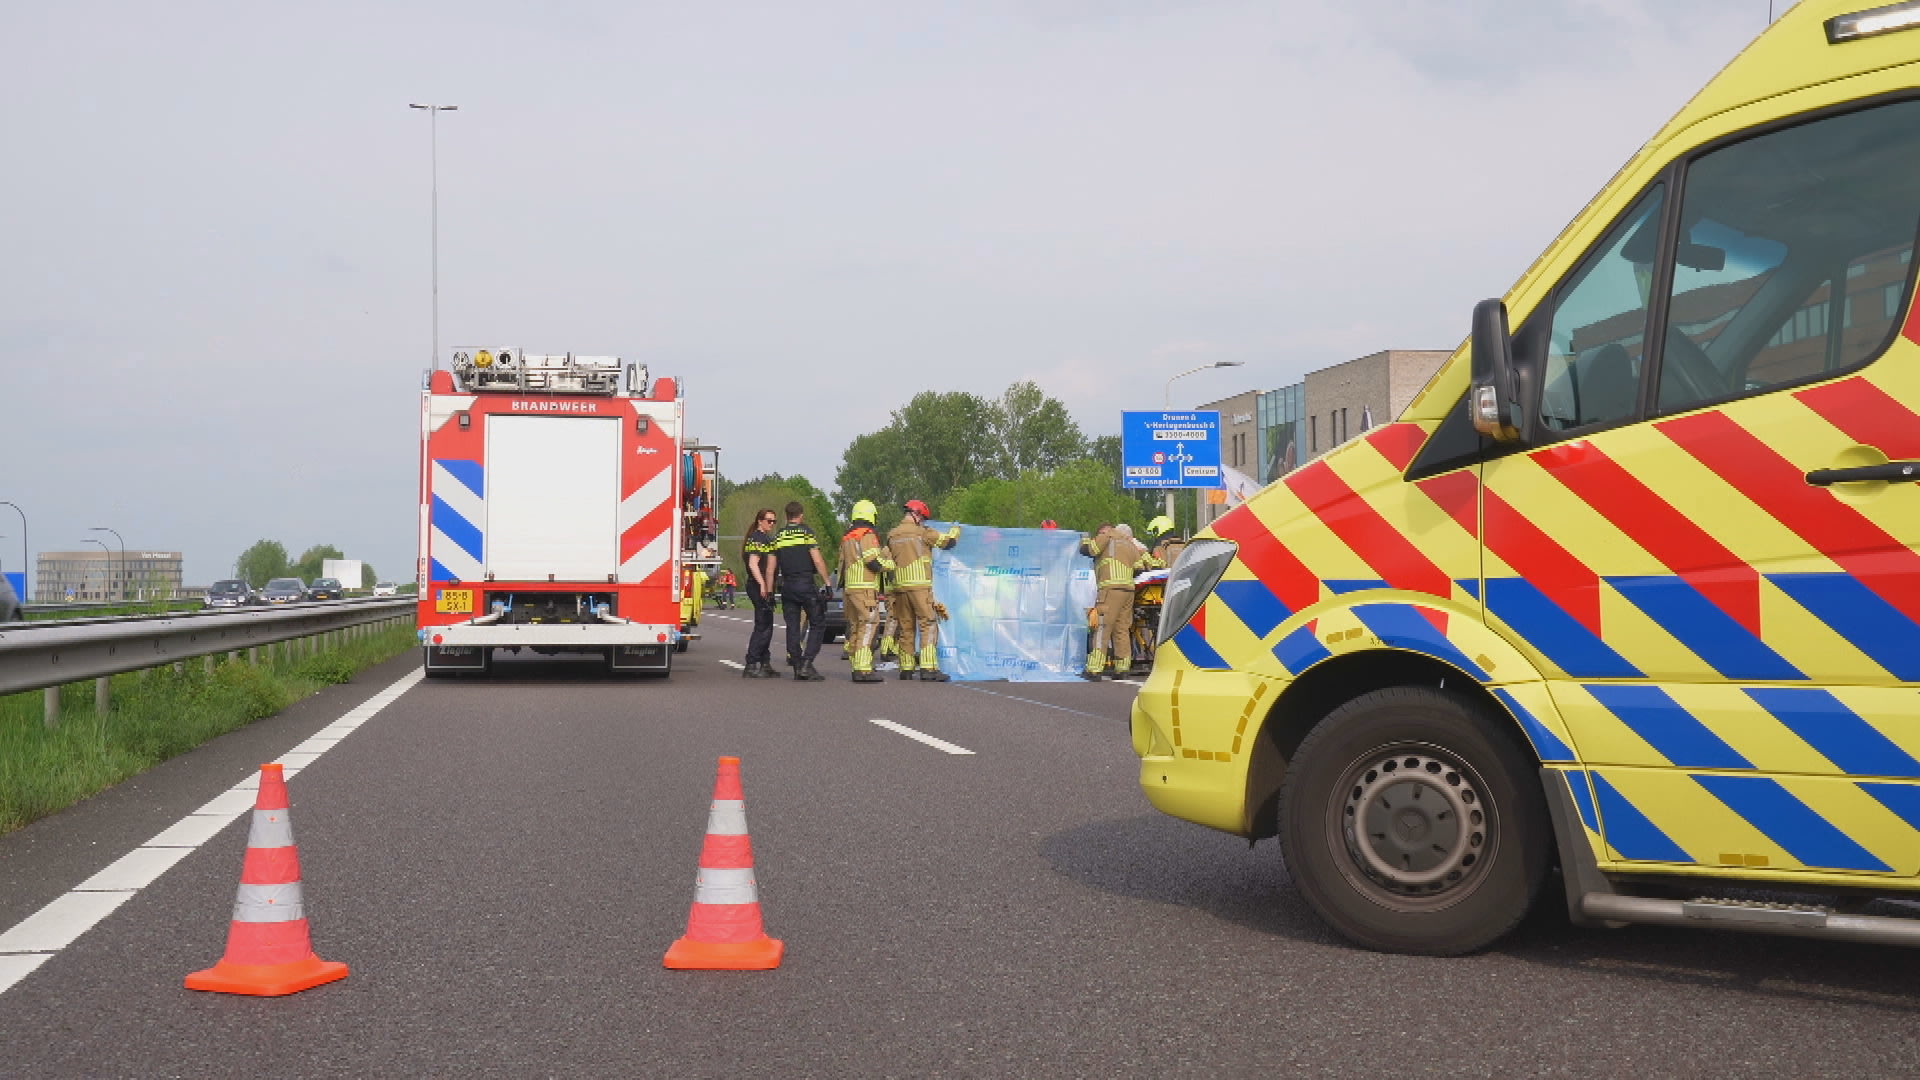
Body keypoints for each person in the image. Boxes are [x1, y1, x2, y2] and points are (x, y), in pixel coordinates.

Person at [886, 499, 961, 681]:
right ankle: (928, 668)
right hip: (919, 586)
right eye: (923, 518)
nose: (924, 522)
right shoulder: (923, 533)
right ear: (917, 514)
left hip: (900, 587)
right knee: (928, 623)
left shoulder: (892, 535)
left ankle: (906, 668)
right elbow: (948, 542)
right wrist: (956, 530)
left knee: (906, 626)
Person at [1081, 522, 1155, 679]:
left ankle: (1094, 668)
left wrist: (1084, 539)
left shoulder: (1106, 537)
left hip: (1110, 589)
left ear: (1104, 531)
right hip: (1128, 591)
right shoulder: (1129, 544)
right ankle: (1122, 668)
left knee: (1102, 627)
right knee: (1121, 628)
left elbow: (1090, 550)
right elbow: (1139, 568)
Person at [771, 500, 833, 682]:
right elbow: (818, 561)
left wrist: (768, 590)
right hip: (805, 584)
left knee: (792, 627)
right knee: (818, 623)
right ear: (801, 516)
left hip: (787, 587)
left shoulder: (779, 537)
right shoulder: (806, 533)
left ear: (786, 516)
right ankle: (807, 663)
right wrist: (827, 582)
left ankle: (798, 667)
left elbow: (770, 569)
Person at [837, 500, 897, 684]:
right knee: (869, 624)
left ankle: (857, 666)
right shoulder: (867, 534)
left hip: (850, 589)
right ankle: (863, 670)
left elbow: (840, 564)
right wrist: (891, 565)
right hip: (864, 587)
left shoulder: (847, 537)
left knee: (856, 627)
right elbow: (872, 561)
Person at [740, 508, 781, 678]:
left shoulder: (763, 538)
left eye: (774, 521)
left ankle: (765, 662)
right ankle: (751, 663)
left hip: (761, 585)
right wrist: (763, 585)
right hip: (758, 586)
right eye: (768, 520)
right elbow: (752, 564)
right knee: (763, 625)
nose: (771, 524)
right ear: (760, 521)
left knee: (766, 623)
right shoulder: (757, 538)